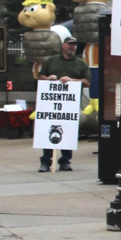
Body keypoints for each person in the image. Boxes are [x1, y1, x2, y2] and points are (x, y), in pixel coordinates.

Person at [36, 36, 90, 172]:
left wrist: (72, 80)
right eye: (70, 44)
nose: (72, 47)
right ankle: (46, 161)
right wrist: (49, 79)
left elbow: (87, 82)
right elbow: (40, 76)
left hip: (70, 104)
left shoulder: (81, 63)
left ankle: (65, 160)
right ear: (63, 45)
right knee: (49, 129)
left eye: (74, 45)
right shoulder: (52, 61)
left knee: (68, 131)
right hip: (52, 103)